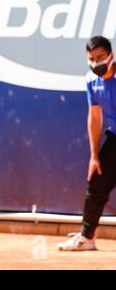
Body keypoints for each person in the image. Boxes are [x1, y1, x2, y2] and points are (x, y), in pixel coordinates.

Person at [58, 36, 116, 251]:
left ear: (111, 56)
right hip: (114, 140)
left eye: (101, 57)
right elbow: (95, 117)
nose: (96, 62)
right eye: (91, 59)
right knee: (96, 184)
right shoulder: (92, 80)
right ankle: (87, 238)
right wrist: (94, 155)